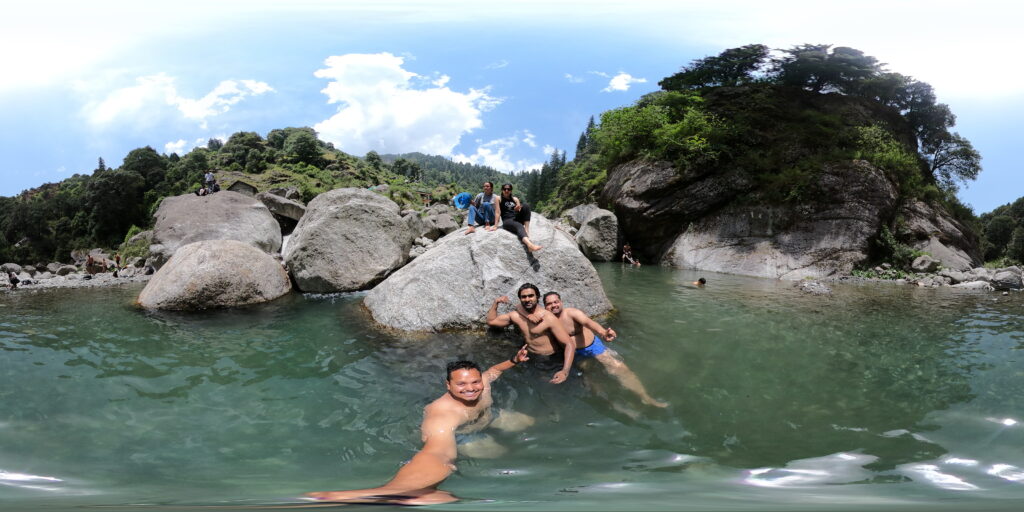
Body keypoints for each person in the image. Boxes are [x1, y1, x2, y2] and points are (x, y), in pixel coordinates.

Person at [305, 349, 530, 506]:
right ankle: (391, 493)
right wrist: (404, 488)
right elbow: (437, 451)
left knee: (530, 423)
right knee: (498, 453)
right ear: (448, 385)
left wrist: (514, 360)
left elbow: (494, 371)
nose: (471, 388)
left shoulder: (483, 382)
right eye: (461, 384)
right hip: (464, 435)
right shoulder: (442, 414)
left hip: (488, 417)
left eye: (475, 382)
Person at [534, 292, 667, 408]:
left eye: (556, 302)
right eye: (549, 304)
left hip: (592, 347)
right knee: (592, 381)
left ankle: (645, 397)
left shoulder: (572, 313)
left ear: (561, 302)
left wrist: (603, 332)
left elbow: (589, 323)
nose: (553, 305)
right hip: (575, 354)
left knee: (619, 368)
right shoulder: (546, 321)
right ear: (545, 307)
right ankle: (615, 405)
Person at [486, 283, 574, 383]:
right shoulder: (516, 316)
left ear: (537, 297)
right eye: (524, 297)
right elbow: (491, 321)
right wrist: (496, 303)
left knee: (549, 385)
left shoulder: (548, 318)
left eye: (531, 296)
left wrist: (565, 371)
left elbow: (569, 344)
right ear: (520, 299)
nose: (527, 299)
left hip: (551, 358)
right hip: (530, 356)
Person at [492, 184, 541, 252]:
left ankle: (526, 230)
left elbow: (520, 211)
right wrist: (495, 225)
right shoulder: (498, 198)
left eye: (508, 189)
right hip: (507, 220)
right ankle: (529, 245)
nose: (506, 190)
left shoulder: (515, 199)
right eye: (505, 189)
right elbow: (497, 212)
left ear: (511, 191)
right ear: (502, 190)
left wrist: (517, 209)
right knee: (519, 225)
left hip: (516, 217)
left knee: (526, 205)